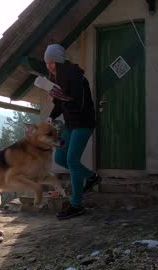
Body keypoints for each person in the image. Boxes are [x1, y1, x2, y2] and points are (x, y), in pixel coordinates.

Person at [43, 43, 102, 220]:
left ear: (59, 62)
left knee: (72, 160)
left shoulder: (76, 77)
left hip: (83, 123)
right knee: (60, 158)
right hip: (71, 124)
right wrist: (52, 116)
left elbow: (78, 104)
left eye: (51, 63)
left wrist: (61, 97)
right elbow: (62, 104)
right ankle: (91, 177)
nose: (49, 67)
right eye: (47, 63)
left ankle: (76, 204)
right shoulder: (60, 78)